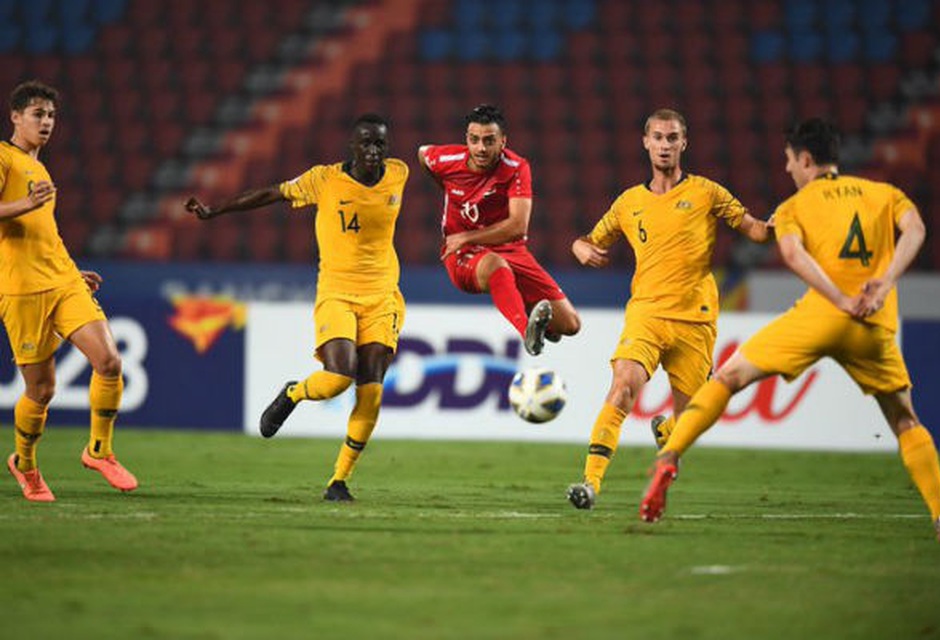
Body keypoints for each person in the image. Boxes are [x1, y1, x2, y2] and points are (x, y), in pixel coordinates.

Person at [640, 118, 940, 543]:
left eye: (790, 161)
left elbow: (791, 253)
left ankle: (669, 456)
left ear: (806, 159)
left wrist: (837, 297)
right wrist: (884, 281)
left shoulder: (795, 206)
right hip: (874, 325)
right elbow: (916, 229)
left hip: (819, 316)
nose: (788, 169)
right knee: (904, 419)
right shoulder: (882, 194)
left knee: (728, 378)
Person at [186, 113, 406, 502]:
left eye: (380, 144)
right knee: (339, 377)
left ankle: (338, 481)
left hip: (383, 296)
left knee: (370, 391)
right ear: (352, 147)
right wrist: (216, 210)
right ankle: (293, 394)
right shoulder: (324, 179)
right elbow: (271, 193)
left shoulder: (399, 174)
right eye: (367, 143)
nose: (374, 151)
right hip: (337, 292)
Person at [566, 108, 772, 510]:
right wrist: (579, 247)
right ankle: (589, 484)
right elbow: (590, 238)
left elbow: (755, 230)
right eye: (657, 137)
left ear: (684, 143)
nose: (664, 145)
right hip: (646, 313)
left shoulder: (707, 192)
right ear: (645, 142)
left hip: (696, 319)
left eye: (672, 137)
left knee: (692, 420)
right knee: (623, 387)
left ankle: (670, 431)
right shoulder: (629, 202)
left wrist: (783, 225)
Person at [1, 80, 137, 501]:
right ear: (15, 117)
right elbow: (20, 216)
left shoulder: (40, 169)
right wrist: (23, 205)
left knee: (110, 361)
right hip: (21, 290)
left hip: (61, 280)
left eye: (51, 115)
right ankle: (24, 463)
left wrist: (74, 271)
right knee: (41, 390)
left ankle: (99, 450)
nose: (46, 122)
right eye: (38, 114)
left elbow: (46, 233)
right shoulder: (4, 158)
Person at [417, 104, 580, 356]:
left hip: (509, 248)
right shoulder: (447, 160)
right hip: (463, 254)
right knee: (495, 265)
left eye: (489, 141)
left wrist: (466, 235)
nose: (481, 148)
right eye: (475, 140)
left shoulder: (516, 168)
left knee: (570, 325)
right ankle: (527, 331)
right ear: (467, 140)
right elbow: (423, 153)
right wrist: (447, 188)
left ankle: (536, 321)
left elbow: (517, 227)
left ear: (503, 141)